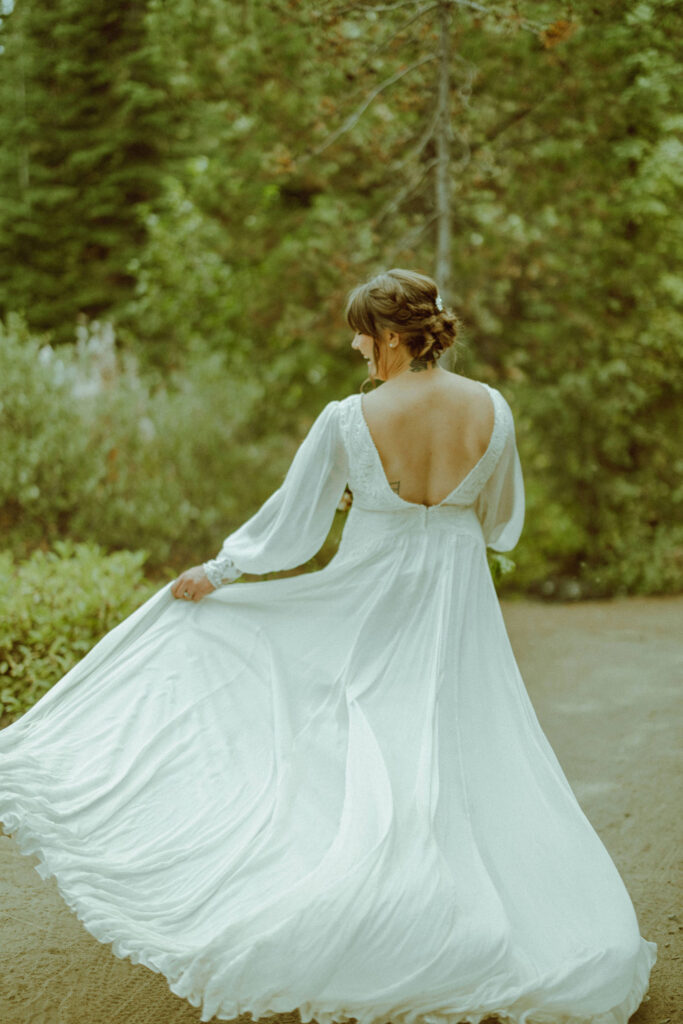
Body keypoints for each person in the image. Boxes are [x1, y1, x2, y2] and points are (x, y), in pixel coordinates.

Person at [0, 268, 656, 1024]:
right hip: (454, 600)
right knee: (457, 743)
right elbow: (500, 520)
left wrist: (218, 572)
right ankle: (462, 912)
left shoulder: (350, 418)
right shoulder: (493, 408)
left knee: (363, 736)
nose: (353, 345)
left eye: (361, 332)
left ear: (393, 336)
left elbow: (291, 528)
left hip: (370, 601)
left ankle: (386, 908)